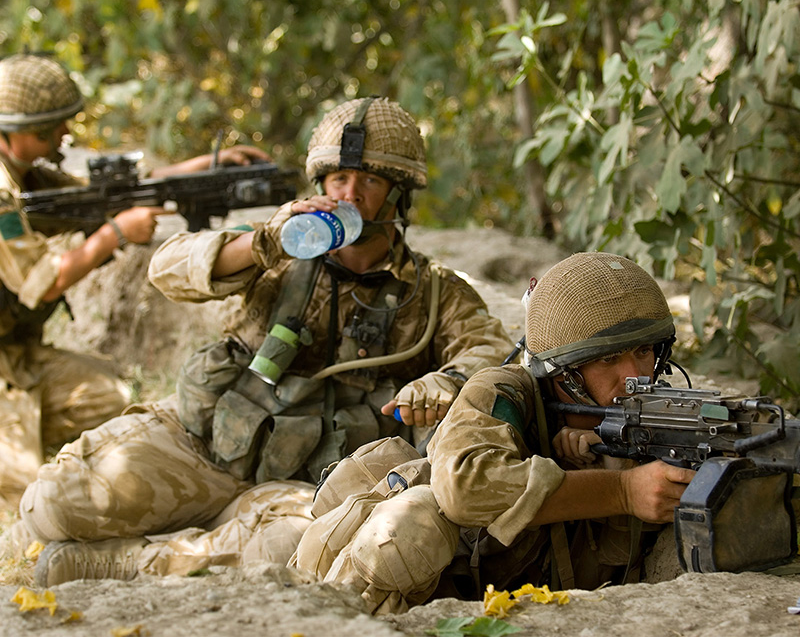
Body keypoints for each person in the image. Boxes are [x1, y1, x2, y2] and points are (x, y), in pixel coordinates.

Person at [20, 96, 513, 585]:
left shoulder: (431, 291)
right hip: (205, 444)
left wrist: (446, 381)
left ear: (398, 196)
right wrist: (266, 240)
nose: (350, 194)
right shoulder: (273, 250)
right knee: (50, 503)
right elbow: (167, 269)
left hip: (299, 484)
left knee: (290, 548)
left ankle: (137, 561)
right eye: (338, 179)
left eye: (370, 181)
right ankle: (211, 526)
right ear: (319, 185)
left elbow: (492, 354)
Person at [291, 251, 697, 614]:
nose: (634, 376)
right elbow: (465, 487)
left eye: (644, 352)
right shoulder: (503, 390)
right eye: (608, 358)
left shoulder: (647, 414)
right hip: (412, 581)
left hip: (530, 596)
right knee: (410, 525)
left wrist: (606, 454)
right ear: (564, 372)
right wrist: (622, 490)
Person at [0, 53, 270, 509]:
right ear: (9, 130)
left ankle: (21, 418)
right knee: (23, 493)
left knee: (112, 396)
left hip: (16, 357)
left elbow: (109, 192)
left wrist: (203, 166)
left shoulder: (30, 175)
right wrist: (115, 234)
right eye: (49, 129)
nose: (63, 135)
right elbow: (42, 282)